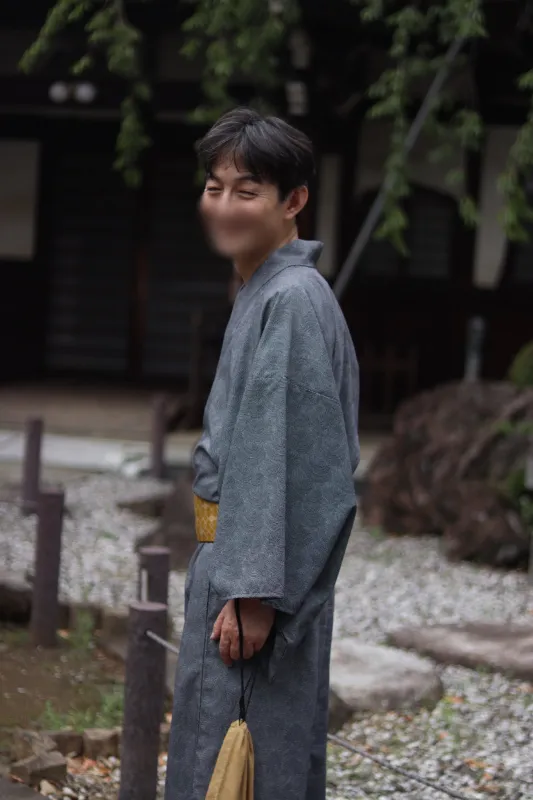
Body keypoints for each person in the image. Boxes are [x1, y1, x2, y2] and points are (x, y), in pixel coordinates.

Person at [165, 107, 360, 800]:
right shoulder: (266, 290)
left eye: (246, 191)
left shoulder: (292, 301)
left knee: (239, 759)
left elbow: (290, 457)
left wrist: (254, 593)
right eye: (214, 188)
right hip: (233, 566)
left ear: (293, 200)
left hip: (253, 586)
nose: (224, 206)